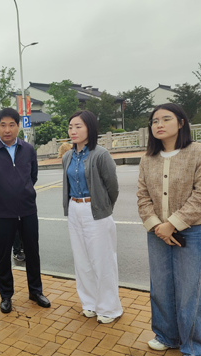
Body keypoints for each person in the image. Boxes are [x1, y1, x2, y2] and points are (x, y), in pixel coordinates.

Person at [137, 103, 201, 356]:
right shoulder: (147, 159)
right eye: (154, 121)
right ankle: (166, 335)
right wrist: (157, 225)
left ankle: (195, 346)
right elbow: (142, 197)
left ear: (181, 123)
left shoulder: (199, 152)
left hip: (191, 231)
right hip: (157, 232)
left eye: (166, 119)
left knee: (192, 291)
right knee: (161, 287)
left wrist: (173, 224)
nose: (159, 124)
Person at [0, 107, 50, 314]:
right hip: (2, 212)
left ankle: (36, 291)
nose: (7, 129)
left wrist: (23, 192)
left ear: (18, 126)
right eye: (3, 125)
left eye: (11, 125)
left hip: (27, 210)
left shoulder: (28, 149)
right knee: (3, 254)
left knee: (32, 252)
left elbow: (32, 176)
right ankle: (6, 295)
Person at [62, 110, 123, 324]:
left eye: (78, 126)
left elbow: (112, 187)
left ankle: (109, 308)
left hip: (95, 210)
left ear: (90, 128)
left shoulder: (100, 154)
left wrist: (103, 207)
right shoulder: (67, 156)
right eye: (71, 126)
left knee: (103, 260)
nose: (73, 130)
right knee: (82, 260)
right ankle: (89, 303)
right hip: (74, 209)